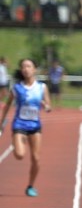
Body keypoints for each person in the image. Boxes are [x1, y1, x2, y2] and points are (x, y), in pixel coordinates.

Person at [0, 58, 52, 197]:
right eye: (23, 67)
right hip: (19, 124)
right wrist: (1, 122)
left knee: (36, 158)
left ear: (34, 69)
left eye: (29, 66)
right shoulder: (16, 88)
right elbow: (7, 106)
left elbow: (48, 106)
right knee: (19, 155)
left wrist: (46, 106)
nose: (26, 69)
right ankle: (18, 139)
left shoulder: (42, 87)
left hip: (35, 126)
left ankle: (30, 186)